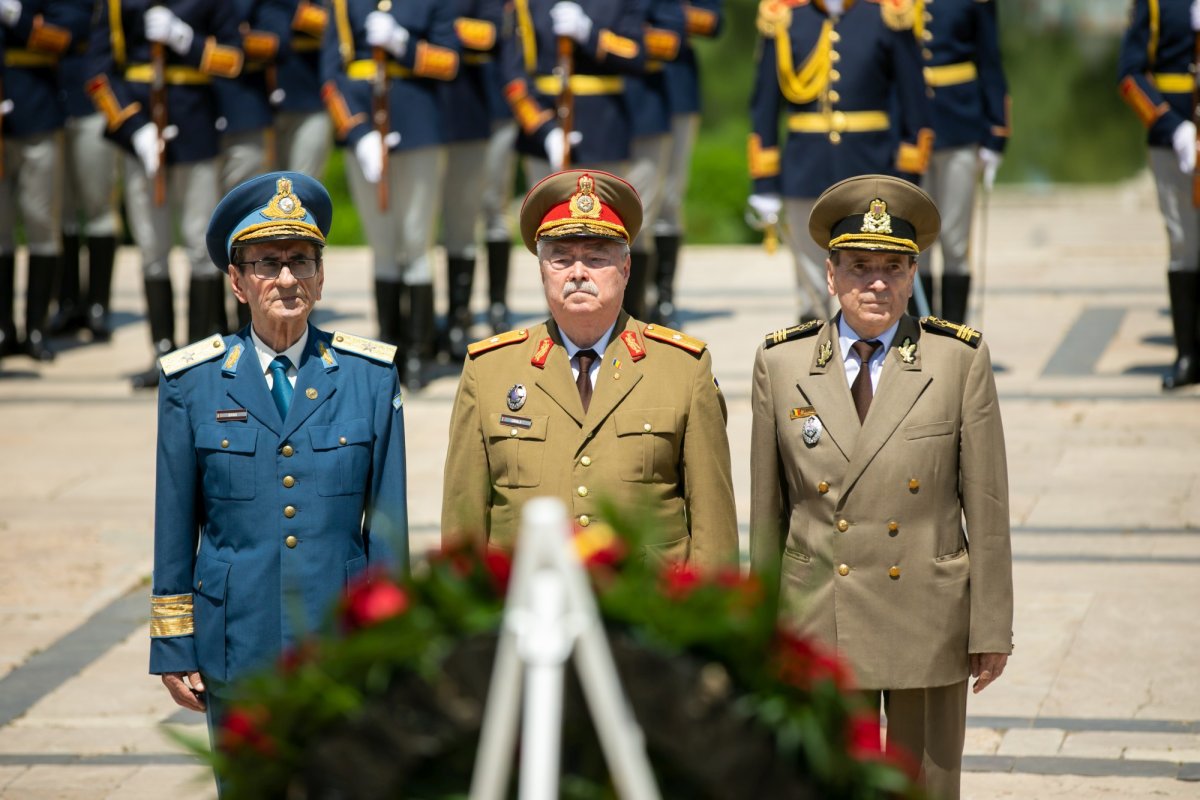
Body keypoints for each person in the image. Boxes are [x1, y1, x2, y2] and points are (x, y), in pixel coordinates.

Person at [749, 174, 1013, 800]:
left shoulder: (956, 361)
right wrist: (760, 627)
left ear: (913, 273)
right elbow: (767, 512)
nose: (876, 284)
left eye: (893, 268)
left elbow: (988, 506)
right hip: (820, 618)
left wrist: (991, 628)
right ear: (831, 273)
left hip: (926, 610)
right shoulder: (782, 365)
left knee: (927, 786)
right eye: (860, 267)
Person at [148, 172, 409, 790]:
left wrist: (395, 642)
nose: (286, 279)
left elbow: (389, 528)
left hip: (339, 641)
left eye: (301, 261)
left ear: (321, 277)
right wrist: (174, 643)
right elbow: (174, 520)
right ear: (238, 281)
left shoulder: (369, 377)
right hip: (238, 639)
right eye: (267, 263)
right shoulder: (194, 382)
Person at [442, 168, 737, 568]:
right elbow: (464, 523)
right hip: (528, 609)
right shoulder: (488, 370)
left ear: (627, 269)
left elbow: (713, 526)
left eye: (597, 258)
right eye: (561, 259)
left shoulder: (683, 369)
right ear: (542, 270)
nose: (578, 273)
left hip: (648, 612)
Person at [85, 0, 244, 388]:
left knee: (200, 246)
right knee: (152, 247)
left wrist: (184, 39)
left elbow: (233, 61)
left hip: (196, 126)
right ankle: (162, 349)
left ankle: (199, 352)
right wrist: (132, 125)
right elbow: (97, 72)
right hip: (141, 129)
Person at [747, 0, 932, 323]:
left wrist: (908, 174)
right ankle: (814, 356)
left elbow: (913, 97)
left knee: (872, 272)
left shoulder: (885, 15)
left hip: (870, 168)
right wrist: (764, 182)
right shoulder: (786, 20)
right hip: (805, 166)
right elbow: (764, 105)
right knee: (810, 284)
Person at [321, 0, 460, 390]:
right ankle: (388, 346)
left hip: (418, 125)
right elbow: (330, 75)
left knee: (416, 242)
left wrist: (405, 46)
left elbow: (449, 62)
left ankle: (418, 351)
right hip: (364, 130)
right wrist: (355, 130)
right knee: (382, 243)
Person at [0, 0, 91, 363]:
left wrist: (17, 17)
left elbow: (67, 33)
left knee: (41, 223)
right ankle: (4, 326)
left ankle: (35, 326)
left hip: (36, 108)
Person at [1119, 0, 1200, 390]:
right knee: (1184, 244)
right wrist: (1172, 125)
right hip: (1176, 139)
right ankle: (1188, 354)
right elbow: (1130, 74)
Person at [916, 0, 1009, 324]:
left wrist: (996, 131)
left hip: (959, 121)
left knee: (955, 242)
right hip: (910, 128)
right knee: (914, 242)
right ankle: (916, 340)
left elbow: (989, 58)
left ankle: (954, 337)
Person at [649, 0, 723, 328]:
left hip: (676, 88)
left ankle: (663, 295)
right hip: (627, 92)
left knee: (669, 196)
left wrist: (665, 13)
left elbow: (713, 21)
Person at [437, 0, 503, 359]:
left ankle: (458, 318)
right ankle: (415, 324)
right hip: (414, 107)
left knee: (463, 221)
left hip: (466, 105)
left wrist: (440, 22)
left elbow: (493, 31)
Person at [50, 20, 122, 344]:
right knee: (59, 210)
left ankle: (97, 305)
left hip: (95, 99)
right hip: (49, 102)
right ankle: (66, 302)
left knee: (98, 207)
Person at [274, 0, 334, 178]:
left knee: (302, 187)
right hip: (257, 102)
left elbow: (340, 25)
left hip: (312, 96)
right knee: (262, 192)